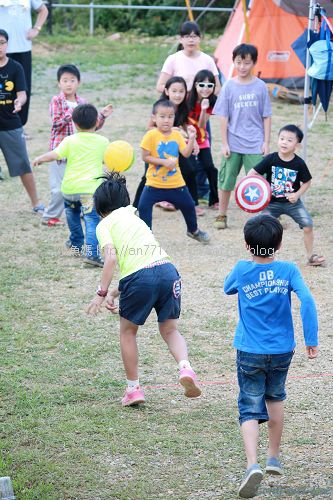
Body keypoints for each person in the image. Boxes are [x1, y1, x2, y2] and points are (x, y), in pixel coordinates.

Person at [86, 171, 202, 407]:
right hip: (168, 271)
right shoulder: (134, 216)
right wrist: (115, 291)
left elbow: (111, 259)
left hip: (140, 277)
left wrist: (101, 292)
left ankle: (133, 389)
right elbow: (146, 264)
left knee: (128, 332)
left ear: (100, 207)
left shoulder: (104, 224)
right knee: (170, 330)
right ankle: (185, 367)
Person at [224, 214, 318, 498]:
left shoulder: (242, 269)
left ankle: (252, 464)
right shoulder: (289, 270)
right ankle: (273, 457)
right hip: (281, 350)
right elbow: (308, 301)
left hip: (250, 350)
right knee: (275, 397)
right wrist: (310, 339)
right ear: (278, 244)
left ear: (246, 244)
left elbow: (228, 287)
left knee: (249, 407)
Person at [33, 104, 109, 266]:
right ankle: (92, 255)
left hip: (69, 189)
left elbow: (54, 154)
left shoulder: (69, 140)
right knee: (91, 219)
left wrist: (40, 158)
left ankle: (75, 243)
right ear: (97, 121)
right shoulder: (103, 141)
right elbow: (108, 159)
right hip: (89, 191)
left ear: (74, 123)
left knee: (73, 216)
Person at [42, 64, 113, 227]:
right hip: (60, 150)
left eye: (72, 80)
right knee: (59, 188)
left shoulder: (83, 102)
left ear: (78, 82)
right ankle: (50, 216)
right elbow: (55, 124)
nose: (68, 84)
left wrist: (101, 116)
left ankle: (83, 210)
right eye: (65, 80)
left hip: (79, 152)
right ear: (58, 83)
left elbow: (91, 126)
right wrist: (71, 114)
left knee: (81, 183)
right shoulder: (56, 101)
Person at [247, 124, 325, 266]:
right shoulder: (271, 159)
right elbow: (252, 173)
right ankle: (259, 256)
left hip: (292, 203)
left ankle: (310, 257)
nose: (284, 142)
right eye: (282, 138)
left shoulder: (299, 163)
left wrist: (297, 194)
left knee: (308, 225)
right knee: (262, 227)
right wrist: (261, 189)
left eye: (289, 140)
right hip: (271, 203)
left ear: (297, 145)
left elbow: (307, 182)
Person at [213, 43, 272, 229]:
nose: (242, 67)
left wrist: (266, 142)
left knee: (259, 182)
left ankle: (265, 217)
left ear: (253, 63)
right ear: (234, 62)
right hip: (233, 143)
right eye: (239, 62)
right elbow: (223, 116)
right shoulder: (229, 86)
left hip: (255, 143)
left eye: (246, 63)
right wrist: (224, 143)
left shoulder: (261, 86)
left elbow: (266, 116)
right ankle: (222, 215)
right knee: (226, 181)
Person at [138, 99, 209, 244]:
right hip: (154, 183)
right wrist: (163, 162)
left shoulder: (177, 135)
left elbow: (186, 153)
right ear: (154, 118)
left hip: (176, 183)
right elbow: (145, 157)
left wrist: (192, 137)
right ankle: (146, 237)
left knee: (189, 205)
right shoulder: (150, 136)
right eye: (162, 116)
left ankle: (193, 230)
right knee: (143, 206)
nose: (166, 120)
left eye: (170, 116)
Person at [133, 76, 203, 215]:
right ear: (166, 91)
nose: (178, 95)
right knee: (147, 176)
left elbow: (184, 124)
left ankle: (192, 204)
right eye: (174, 91)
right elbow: (149, 128)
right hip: (157, 147)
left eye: (181, 91)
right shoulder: (161, 107)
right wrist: (168, 131)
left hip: (175, 147)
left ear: (186, 93)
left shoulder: (184, 108)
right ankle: (135, 206)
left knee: (190, 170)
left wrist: (192, 140)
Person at [0, 29, 43, 212]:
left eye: (2, 42)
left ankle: (36, 203)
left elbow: (22, 94)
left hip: (10, 123)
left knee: (23, 165)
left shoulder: (15, 67)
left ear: (7, 44)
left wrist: (19, 101)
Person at [0, 0, 48, 126]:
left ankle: (20, 125)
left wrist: (36, 29)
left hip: (23, 48)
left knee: (23, 86)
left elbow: (43, 10)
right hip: (2, 49)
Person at [156, 21, 221, 94]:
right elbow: (160, 86)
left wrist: (204, 95)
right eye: (187, 37)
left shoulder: (208, 60)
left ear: (199, 39)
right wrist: (178, 92)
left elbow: (217, 87)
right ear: (180, 39)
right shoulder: (173, 59)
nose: (191, 40)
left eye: (194, 37)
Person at [187, 69, 219, 209]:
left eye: (210, 85)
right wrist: (191, 141)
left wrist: (204, 109)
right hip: (187, 139)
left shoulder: (212, 101)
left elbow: (201, 125)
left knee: (210, 168)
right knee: (190, 169)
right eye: (202, 85)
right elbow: (183, 121)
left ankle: (214, 200)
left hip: (202, 139)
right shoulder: (187, 99)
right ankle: (193, 202)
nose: (205, 89)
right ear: (195, 85)